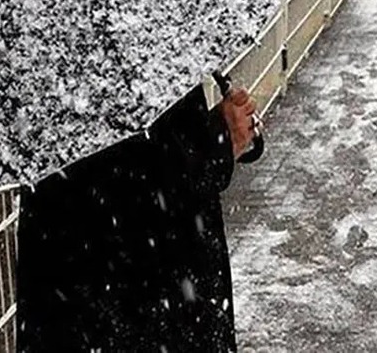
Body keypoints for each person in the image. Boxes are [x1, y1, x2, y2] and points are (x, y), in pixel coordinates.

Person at [15, 84, 258, 352]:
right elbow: (152, 169)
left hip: (69, 281)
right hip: (147, 281)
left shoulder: (39, 83)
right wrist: (216, 141)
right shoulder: (124, 71)